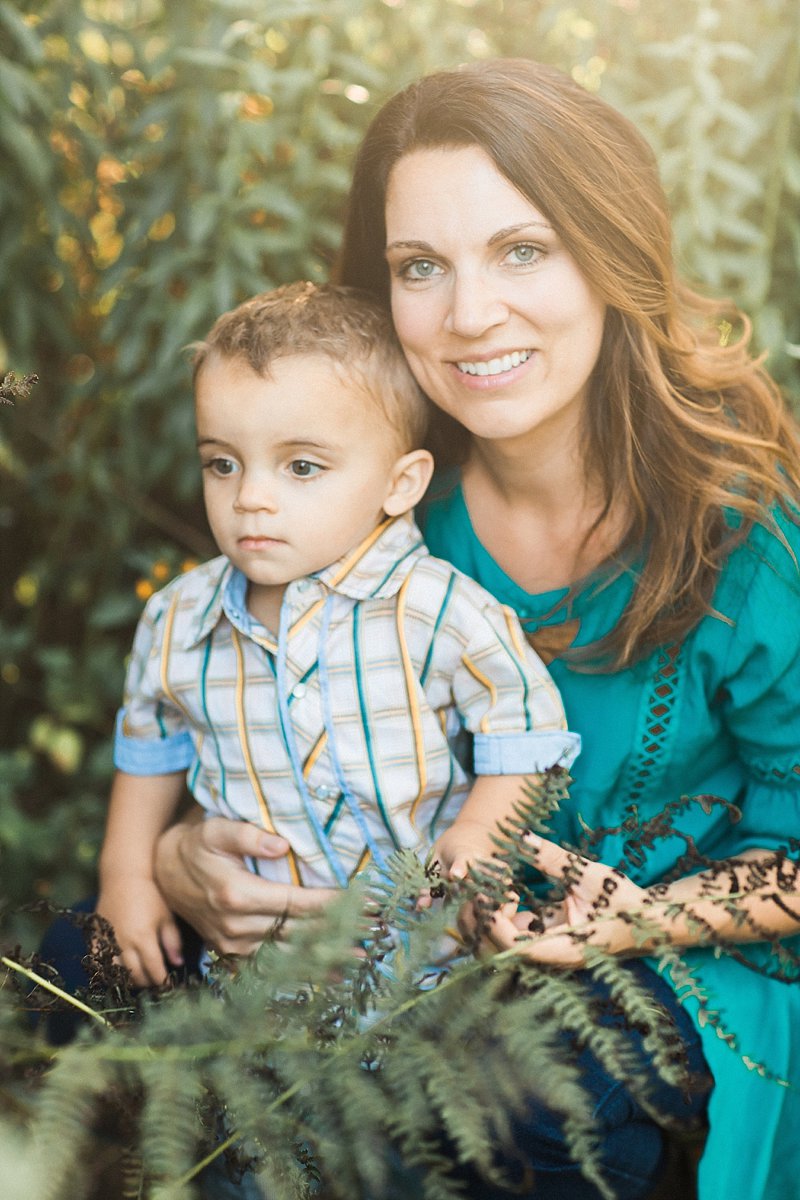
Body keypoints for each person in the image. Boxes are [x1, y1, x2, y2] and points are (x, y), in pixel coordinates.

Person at [152, 59, 800, 1200]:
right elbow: (251, 727)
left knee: (521, 1097)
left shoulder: (742, 540)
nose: (467, 315)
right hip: (398, 966)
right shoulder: (364, 505)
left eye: (521, 250)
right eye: (419, 267)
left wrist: (635, 921)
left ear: (610, 254)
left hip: (670, 986)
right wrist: (181, 858)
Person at [97, 279, 579, 988]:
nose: (249, 497)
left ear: (400, 483)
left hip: (429, 967)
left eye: (301, 467)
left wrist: (479, 835)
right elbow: (150, 748)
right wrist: (125, 876)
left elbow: (527, 729)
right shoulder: (181, 618)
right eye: (221, 463)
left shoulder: (433, 609)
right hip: (254, 970)